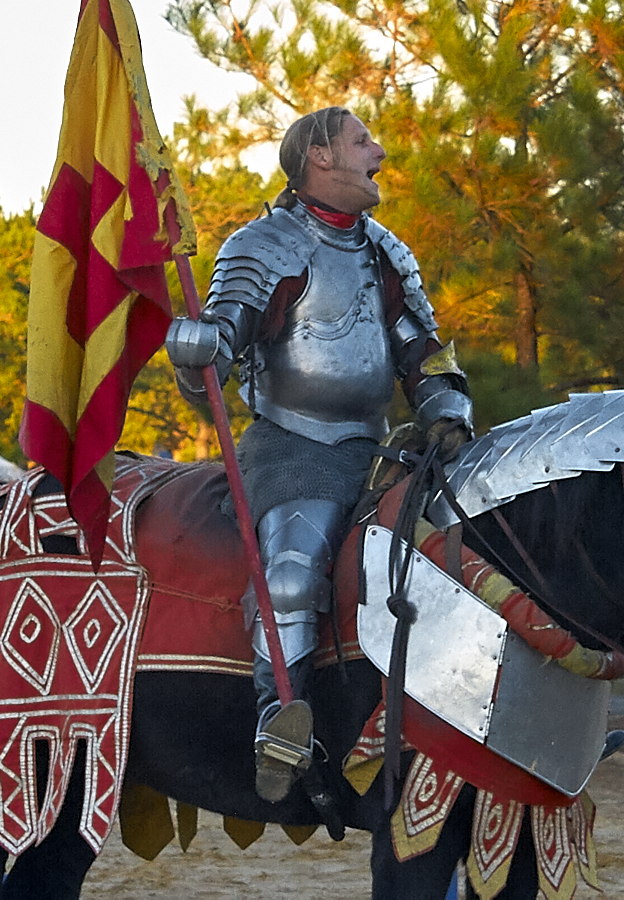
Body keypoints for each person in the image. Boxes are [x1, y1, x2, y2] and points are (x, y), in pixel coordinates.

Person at [165, 107, 472, 802]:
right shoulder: (264, 246)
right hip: (292, 445)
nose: (381, 153)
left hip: (382, 448)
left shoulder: (385, 251)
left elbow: (424, 350)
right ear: (320, 157)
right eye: (364, 141)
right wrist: (197, 351)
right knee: (294, 573)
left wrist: (447, 407)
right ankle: (281, 726)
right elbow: (219, 352)